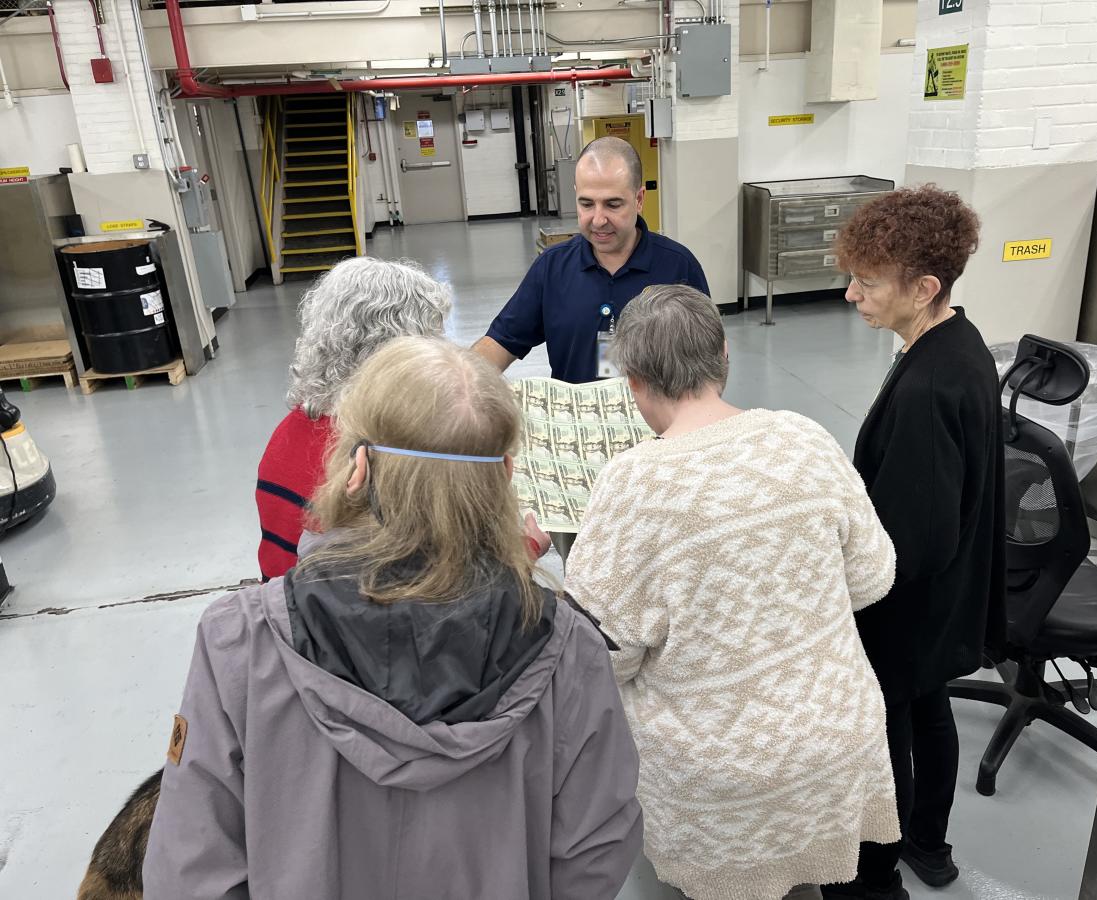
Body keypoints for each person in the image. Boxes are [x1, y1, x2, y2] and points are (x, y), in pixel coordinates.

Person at [146, 337, 643, 899]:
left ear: (356, 467)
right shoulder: (569, 651)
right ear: (504, 476)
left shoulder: (239, 640)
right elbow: (596, 849)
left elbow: (189, 868)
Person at [564, 285, 901, 900]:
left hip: (720, 771)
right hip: (838, 738)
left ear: (632, 379)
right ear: (724, 355)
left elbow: (598, 655)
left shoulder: (632, 483)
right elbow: (874, 576)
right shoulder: (805, 437)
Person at [825, 186, 1006, 900]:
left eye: (867, 283)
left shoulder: (929, 387)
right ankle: (929, 843)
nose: (850, 294)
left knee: (888, 725)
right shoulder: (959, 342)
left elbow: (913, 540)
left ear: (924, 287)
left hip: (911, 602)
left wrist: (837, 575)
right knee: (930, 707)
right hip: (951, 594)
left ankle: (877, 871)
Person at [255, 256, 450, 580]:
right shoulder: (385, 458)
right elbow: (427, 587)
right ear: (398, 350)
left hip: (284, 611)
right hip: (335, 622)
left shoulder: (290, 431)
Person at [472, 136, 709, 383]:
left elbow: (709, 362)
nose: (598, 220)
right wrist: (456, 385)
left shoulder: (679, 267)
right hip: (575, 417)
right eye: (586, 204)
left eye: (613, 205)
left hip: (656, 422)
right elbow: (501, 341)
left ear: (639, 199)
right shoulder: (552, 268)